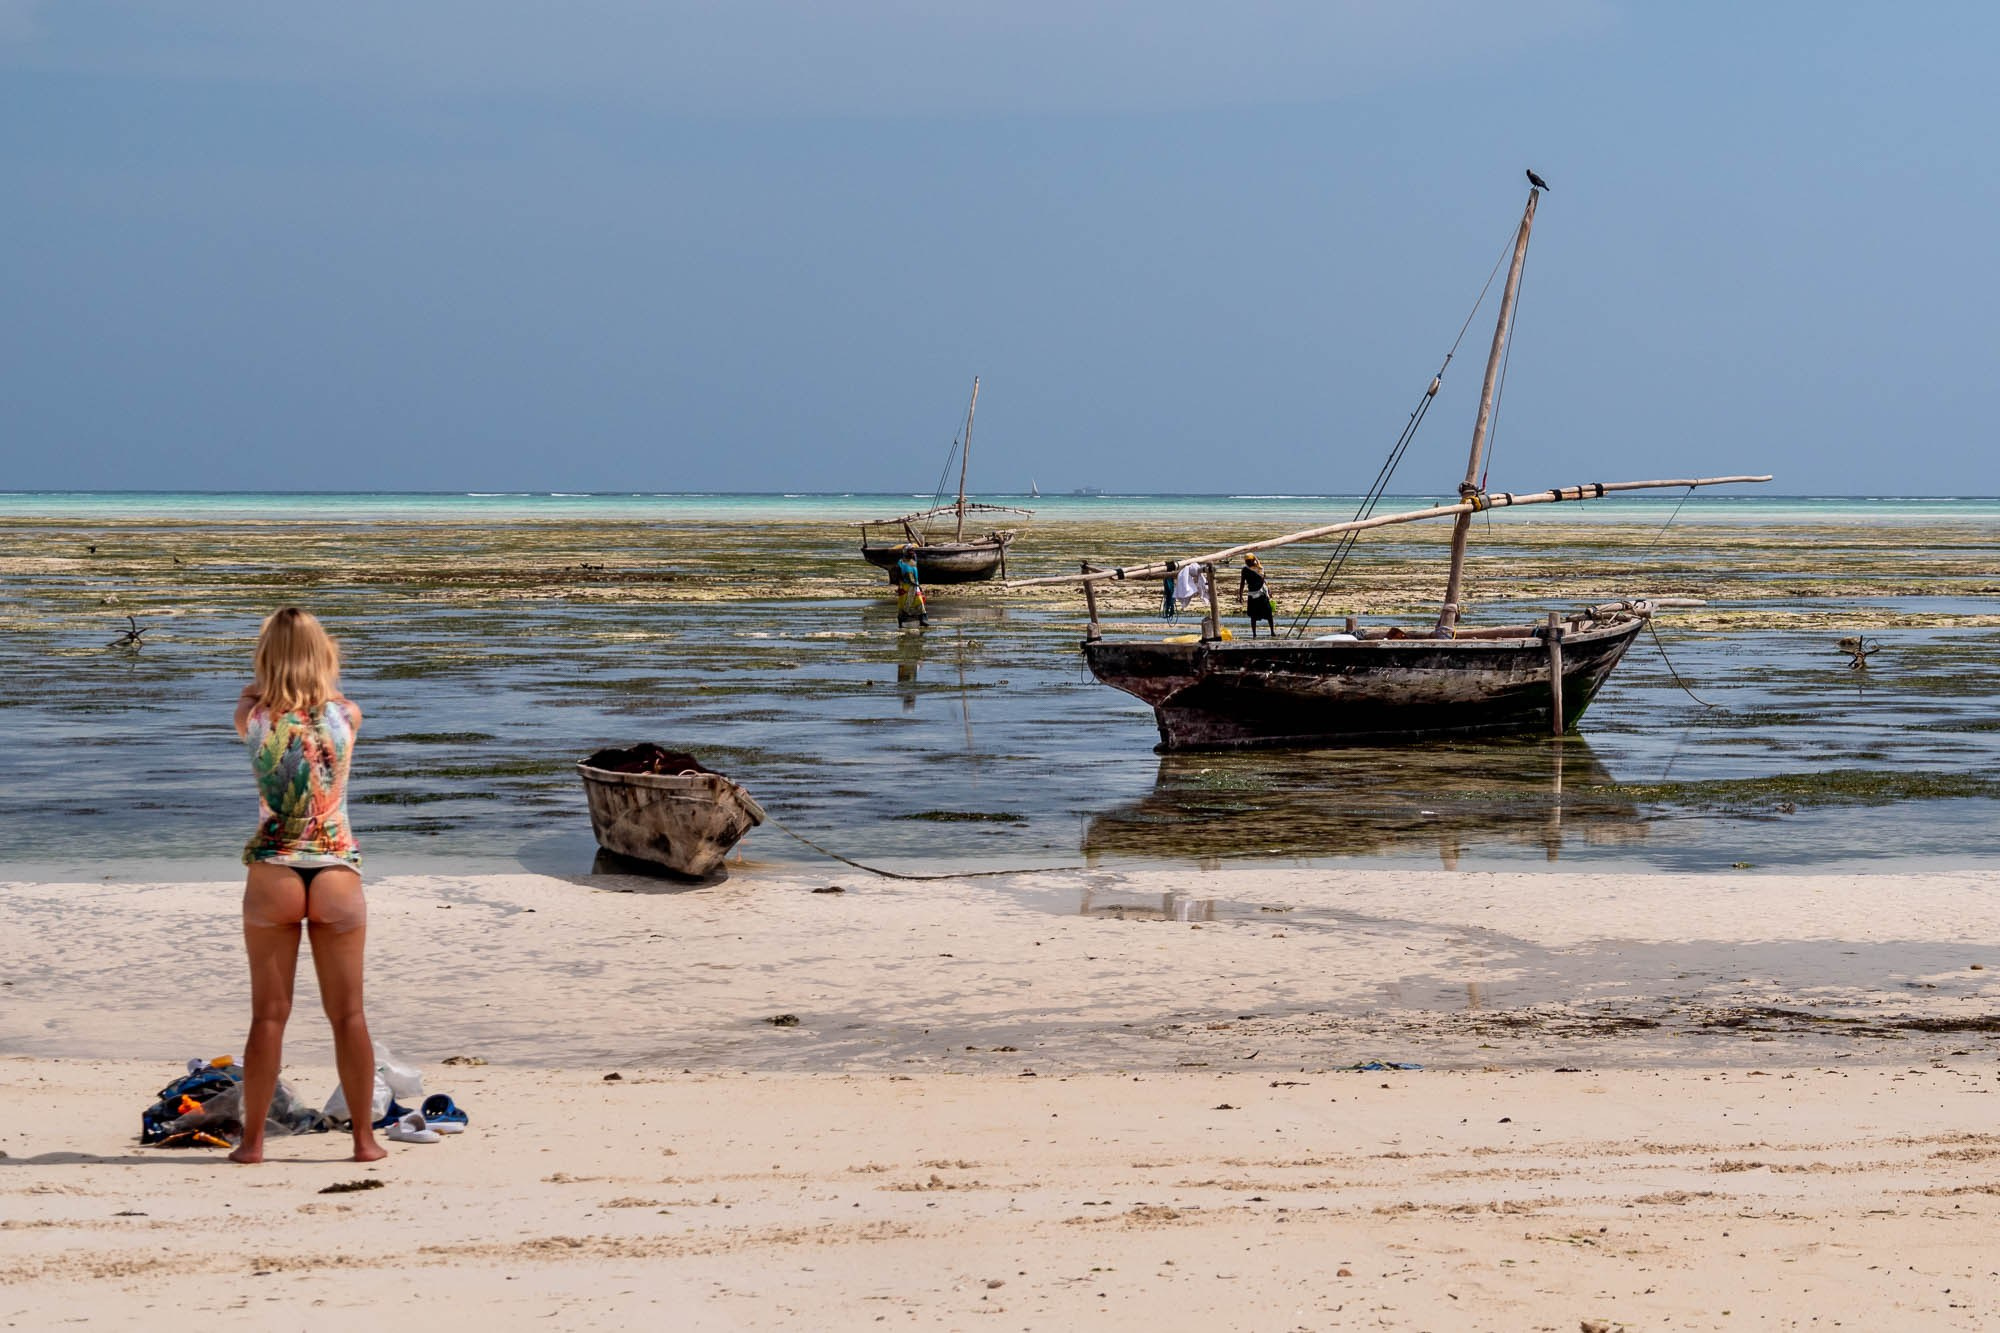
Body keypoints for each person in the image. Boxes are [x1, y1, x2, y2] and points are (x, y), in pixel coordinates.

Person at [229, 608, 384, 1164]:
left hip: (274, 866)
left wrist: (270, 680)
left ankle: (252, 1144)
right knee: (349, 1015)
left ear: (267, 657)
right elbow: (327, 700)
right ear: (325, 656)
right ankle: (364, 1141)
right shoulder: (349, 713)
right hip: (336, 868)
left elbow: (255, 692)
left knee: (269, 1015)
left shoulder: (251, 714)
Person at [1238, 553, 1275, 637]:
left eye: (1249, 561)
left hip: (1262, 594)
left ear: (1253, 560)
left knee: (1269, 614)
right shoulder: (1245, 570)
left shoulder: (1259, 568)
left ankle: (1272, 632)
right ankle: (1254, 634)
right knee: (1253, 616)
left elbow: (1263, 580)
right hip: (1252, 594)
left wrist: (1269, 590)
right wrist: (1240, 595)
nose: (1247, 562)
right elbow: (1242, 583)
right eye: (1246, 561)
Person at [892, 545, 929, 627]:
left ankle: (921, 620)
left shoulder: (914, 562)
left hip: (915, 586)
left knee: (919, 602)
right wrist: (899, 586)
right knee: (904, 605)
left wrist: (919, 586)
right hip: (905, 586)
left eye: (913, 551)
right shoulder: (901, 563)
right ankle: (901, 622)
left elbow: (916, 576)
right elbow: (897, 575)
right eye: (910, 551)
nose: (912, 553)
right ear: (905, 552)